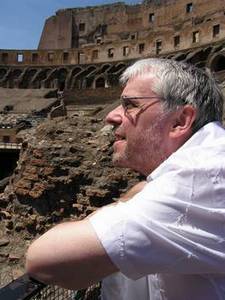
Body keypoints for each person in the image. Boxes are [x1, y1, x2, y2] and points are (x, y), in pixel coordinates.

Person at [26, 58, 225, 300]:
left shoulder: (200, 177)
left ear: (180, 121)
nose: (110, 116)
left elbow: (44, 260)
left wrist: (125, 201)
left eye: (129, 105)